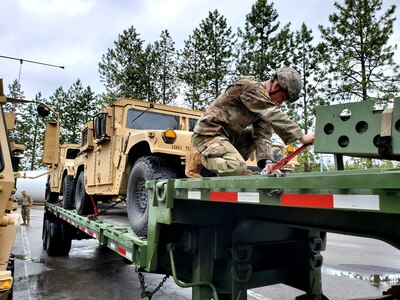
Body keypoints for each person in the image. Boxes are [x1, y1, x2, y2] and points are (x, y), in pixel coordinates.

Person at [185, 67, 314, 178]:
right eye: (283, 98)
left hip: (227, 139)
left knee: (253, 136)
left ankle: (235, 167)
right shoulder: (250, 87)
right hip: (208, 134)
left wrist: (268, 163)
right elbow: (272, 113)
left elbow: (263, 136)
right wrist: (301, 136)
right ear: (276, 86)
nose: (281, 103)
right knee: (237, 168)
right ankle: (198, 159)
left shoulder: (264, 107)